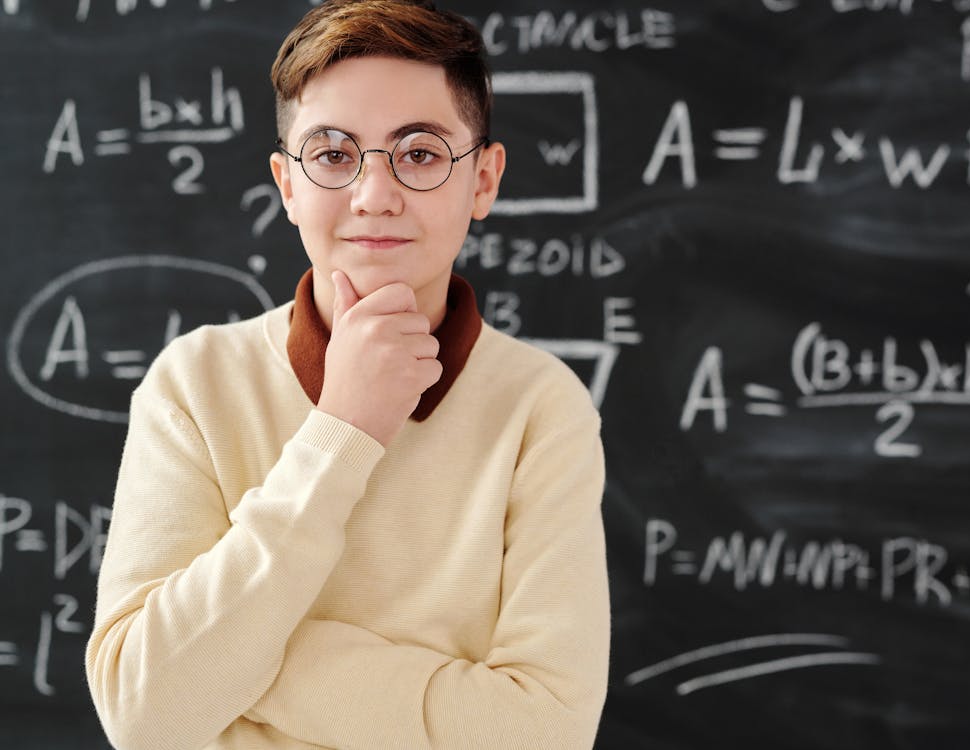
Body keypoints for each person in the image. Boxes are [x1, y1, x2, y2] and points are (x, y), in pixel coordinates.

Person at [84, 1, 611, 747]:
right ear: (288, 183)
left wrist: (245, 661)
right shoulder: (195, 384)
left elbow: (545, 729)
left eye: (420, 153)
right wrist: (342, 431)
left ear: (484, 180)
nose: (374, 195)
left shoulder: (538, 407)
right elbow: (143, 713)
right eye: (332, 154)